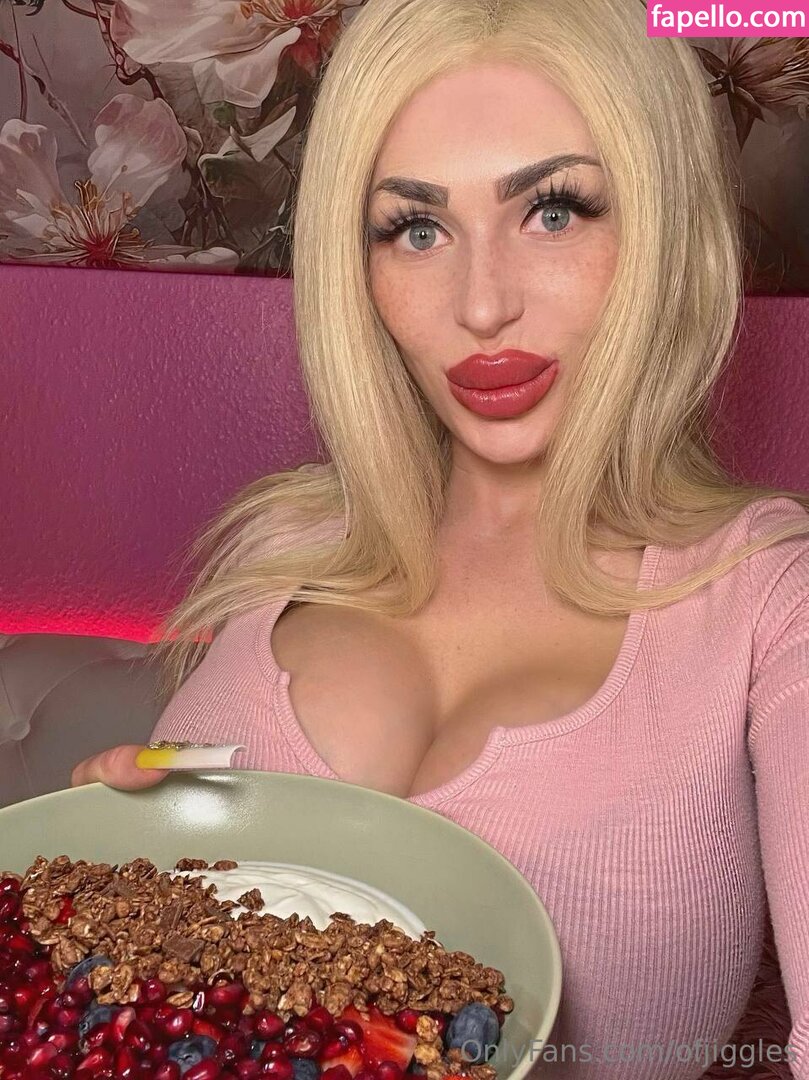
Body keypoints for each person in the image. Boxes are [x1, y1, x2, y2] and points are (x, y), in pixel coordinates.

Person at [71, 0, 809, 1076]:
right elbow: (220, 950)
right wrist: (128, 861)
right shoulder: (284, 539)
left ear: (661, 226)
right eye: (416, 229)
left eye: (553, 211)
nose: (480, 306)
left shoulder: (765, 594)